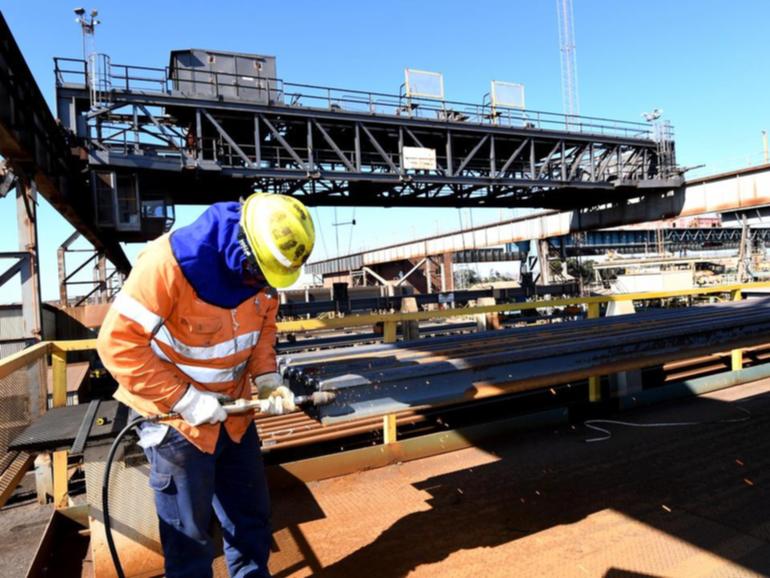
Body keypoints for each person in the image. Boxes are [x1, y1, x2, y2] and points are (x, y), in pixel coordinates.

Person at [97, 192, 315, 578]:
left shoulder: (262, 271)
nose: (262, 284)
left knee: (250, 520)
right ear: (240, 245)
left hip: (234, 415)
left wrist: (267, 381)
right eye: (257, 274)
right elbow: (118, 345)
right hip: (176, 425)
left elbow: (262, 332)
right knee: (189, 539)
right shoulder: (166, 265)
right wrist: (186, 400)